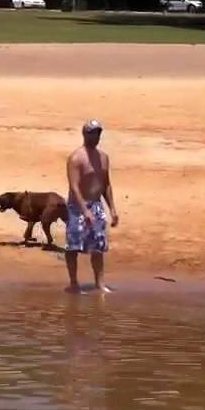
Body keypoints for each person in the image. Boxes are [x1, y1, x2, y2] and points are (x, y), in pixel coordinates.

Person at [65, 119, 120, 293]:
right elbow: (74, 187)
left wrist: (112, 209)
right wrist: (84, 210)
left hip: (96, 205)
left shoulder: (103, 158)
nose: (95, 136)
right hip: (77, 206)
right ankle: (73, 283)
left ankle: (100, 283)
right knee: (73, 246)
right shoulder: (76, 158)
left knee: (98, 246)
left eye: (97, 133)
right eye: (91, 133)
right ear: (84, 134)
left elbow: (106, 185)